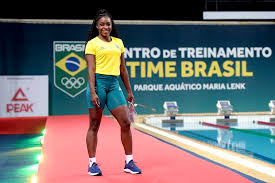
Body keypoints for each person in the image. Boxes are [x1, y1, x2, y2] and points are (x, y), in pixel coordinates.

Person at [84, 9, 142, 176]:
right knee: (94, 125)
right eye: (102, 24)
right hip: (98, 85)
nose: (105, 27)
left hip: (113, 84)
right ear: (96, 26)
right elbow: (91, 69)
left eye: (108, 24)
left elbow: (123, 69)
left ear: (111, 25)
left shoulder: (118, 42)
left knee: (125, 122)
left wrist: (129, 90)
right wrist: (93, 91)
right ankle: (92, 163)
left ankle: (129, 162)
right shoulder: (92, 43)